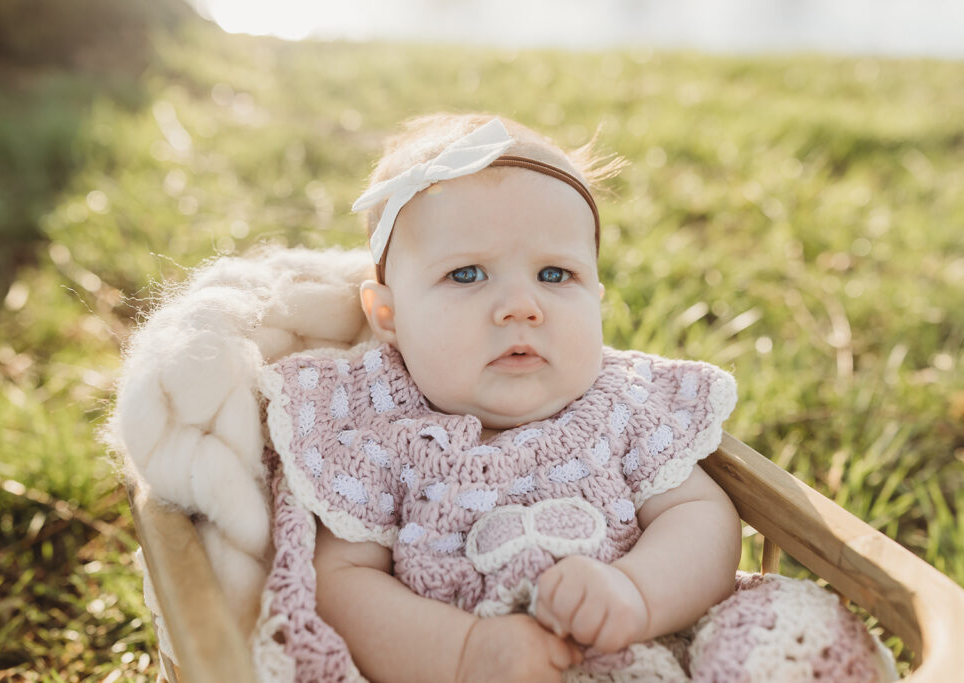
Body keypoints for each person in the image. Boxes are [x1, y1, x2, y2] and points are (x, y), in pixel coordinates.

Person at [259, 113, 741, 682]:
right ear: (388, 315)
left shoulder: (623, 405)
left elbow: (700, 516)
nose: (521, 305)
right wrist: (464, 653)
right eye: (467, 274)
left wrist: (636, 590)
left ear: (598, 296)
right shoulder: (376, 429)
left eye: (556, 275)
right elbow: (341, 583)